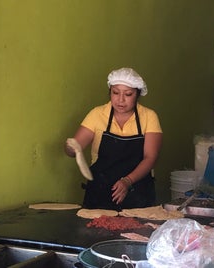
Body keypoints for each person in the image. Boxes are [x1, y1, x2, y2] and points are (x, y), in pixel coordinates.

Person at [64, 67, 162, 210]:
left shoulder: (149, 117)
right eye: (116, 93)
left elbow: (150, 157)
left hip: (138, 194)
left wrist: (128, 181)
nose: (120, 100)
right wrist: (71, 148)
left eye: (128, 94)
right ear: (110, 91)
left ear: (137, 94)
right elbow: (73, 149)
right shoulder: (97, 114)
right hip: (100, 193)